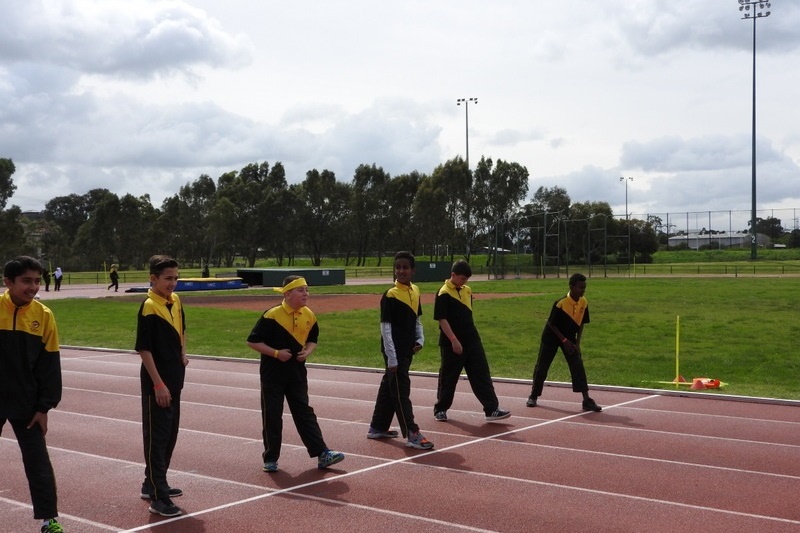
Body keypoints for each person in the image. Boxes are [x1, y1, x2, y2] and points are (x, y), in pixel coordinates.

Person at [246, 275, 345, 473]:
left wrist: (307, 351)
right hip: (273, 374)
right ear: (288, 293)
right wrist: (276, 353)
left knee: (304, 413)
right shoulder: (272, 315)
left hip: (297, 373)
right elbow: (252, 341)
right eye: (301, 290)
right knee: (272, 415)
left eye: (307, 290)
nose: (306, 294)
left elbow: (313, 338)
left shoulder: (309, 315)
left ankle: (322, 453)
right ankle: (270, 458)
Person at [0, 256, 65, 533]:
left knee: (38, 462)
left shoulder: (44, 315)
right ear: (8, 282)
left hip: (26, 403)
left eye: (37, 281)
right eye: (26, 281)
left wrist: (44, 407)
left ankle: (49, 520)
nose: (34, 287)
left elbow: (50, 366)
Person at [135, 255, 188, 517]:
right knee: (157, 439)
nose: (173, 283)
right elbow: (143, 349)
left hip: (175, 378)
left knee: (169, 436)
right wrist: (158, 385)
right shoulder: (149, 307)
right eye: (168, 278)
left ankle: (153, 482)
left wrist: (183, 353)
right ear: (153, 279)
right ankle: (158, 496)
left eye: (176, 278)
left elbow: (183, 330)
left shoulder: (175, 301)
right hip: (158, 384)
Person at [367, 251, 433, 450]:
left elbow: (417, 320)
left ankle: (377, 427)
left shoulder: (415, 291)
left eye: (405, 267)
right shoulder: (390, 295)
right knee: (401, 391)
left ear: (413, 271)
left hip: (407, 350)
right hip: (394, 352)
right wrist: (391, 357)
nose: (401, 271)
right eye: (398, 267)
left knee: (390, 387)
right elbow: (385, 328)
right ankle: (412, 432)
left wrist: (420, 339)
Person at [433, 260, 510, 423]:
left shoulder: (467, 290)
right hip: (451, 343)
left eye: (466, 279)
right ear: (453, 275)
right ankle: (441, 409)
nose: (464, 282)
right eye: (462, 279)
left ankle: (491, 409)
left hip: (472, 340)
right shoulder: (443, 293)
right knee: (449, 377)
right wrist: (454, 340)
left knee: (482, 374)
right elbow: (442, 319)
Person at [527, 273, 602, 412]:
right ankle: (533, 395)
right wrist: (564, 340)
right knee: (542, 367)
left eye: (584, 288)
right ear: (571, 287)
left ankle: (586, 400)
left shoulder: (584, 302)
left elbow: (581, 324)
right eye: (580, 288)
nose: (583, 290)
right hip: (552, 337)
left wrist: (577, 344)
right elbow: (551, 324)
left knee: (578, 366)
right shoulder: (560, 303)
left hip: (569, 337)